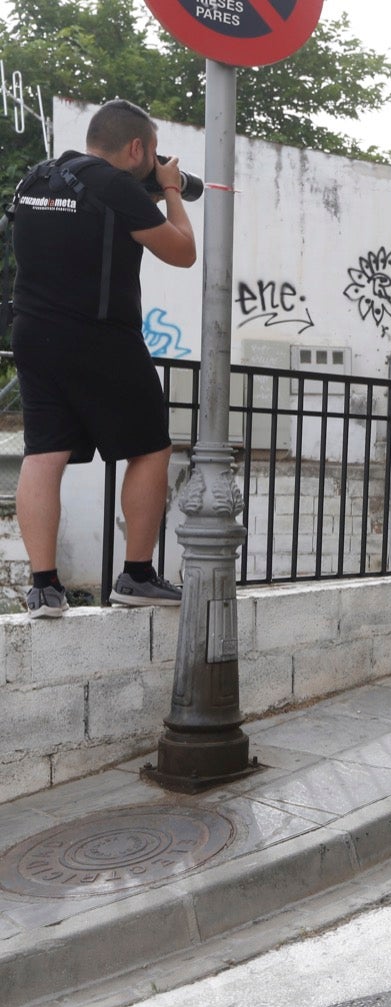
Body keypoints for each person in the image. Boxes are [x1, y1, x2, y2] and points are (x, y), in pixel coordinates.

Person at [10, 99, 196, 619]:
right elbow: (182, 250)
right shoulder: (114, 186)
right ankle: (137, 575)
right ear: (137, 148)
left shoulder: (36, 179)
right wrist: (173, 191)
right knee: (152, 446)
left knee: (44, 453)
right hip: (99, 336)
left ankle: (44, 587)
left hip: (32, 332)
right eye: (152, 154)